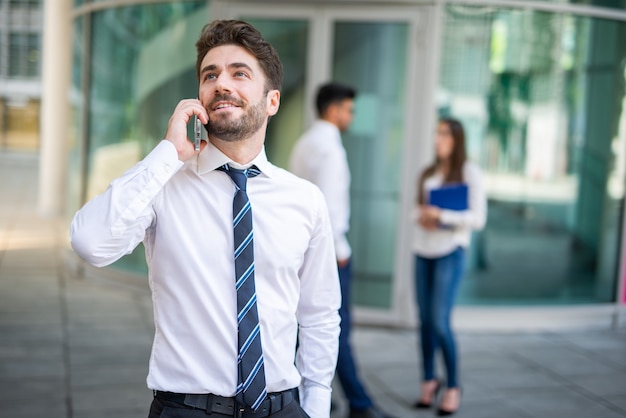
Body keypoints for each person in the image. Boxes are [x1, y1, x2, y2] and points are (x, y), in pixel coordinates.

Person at [70, 20, 341, 418]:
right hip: (187, 409)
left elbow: (319, 313)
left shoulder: (304, 199)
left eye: (240, 73)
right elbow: (89, 243)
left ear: (272, 101)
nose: (221, 83)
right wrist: (166, 153)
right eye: (209, 75)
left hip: (282, 407)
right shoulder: (162, 185)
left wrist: (315, 406)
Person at [289, 83, 390, 418]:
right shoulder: (330, 149)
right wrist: (339, 251)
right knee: (336, 328)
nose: (351, 115)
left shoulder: (304, 143)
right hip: (330, 252)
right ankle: (359, 404)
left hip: (302, 248)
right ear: (334, 110)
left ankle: (317, 394)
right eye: (349, 109)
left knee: (308, 327)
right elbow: (330, 211)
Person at [411, 117, 487, 416]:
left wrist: (442, 215)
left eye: (444, 134)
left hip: (450, 251)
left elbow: (478, 218)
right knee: (424, 323)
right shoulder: (429, 172)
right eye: (436, 133)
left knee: (440, 321)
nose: (438, 139)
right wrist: (421, 216)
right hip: (422, 250)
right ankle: (429, 381)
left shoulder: (469, 171)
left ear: (457, 139)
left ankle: (453, 385)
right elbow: (414, 211)